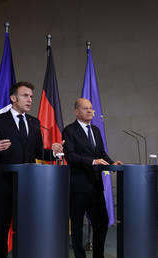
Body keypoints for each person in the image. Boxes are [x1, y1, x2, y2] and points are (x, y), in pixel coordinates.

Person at [0, 81, 62, 258]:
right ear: (13, 98)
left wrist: (54, 154)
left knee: (25, 227)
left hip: (28, 185)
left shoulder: (34, 122)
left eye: (32, 96)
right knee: (2, 228)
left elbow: (38, 152)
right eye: (25, 96)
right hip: (5, 184)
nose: (30, 100)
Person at [62, 98, 123, 258]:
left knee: (101, 223)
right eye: (85, 108)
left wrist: (112, 163)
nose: (90, 111)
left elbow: (101, 153)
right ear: (76, 111)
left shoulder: (95, 130)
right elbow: (70, 156)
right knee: (76, 226)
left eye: (91, 108)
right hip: (78, 187)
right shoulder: (69, 131)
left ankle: (98, 255)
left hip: (96, 186)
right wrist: (92, 161)